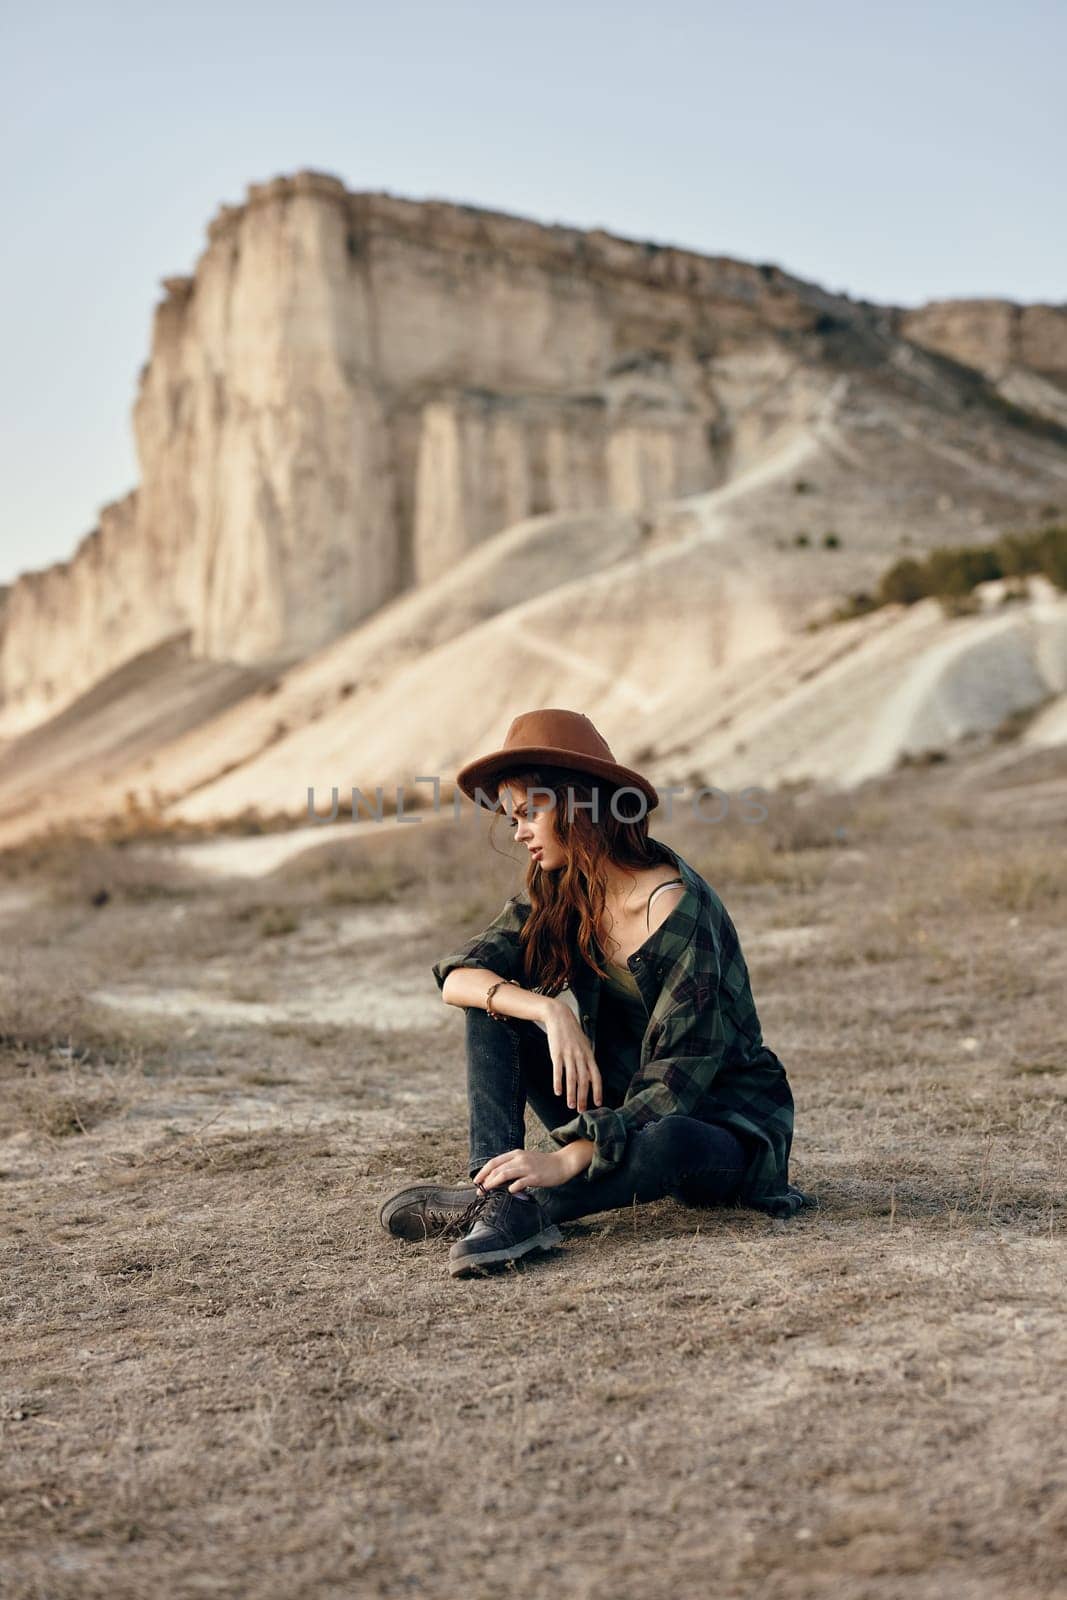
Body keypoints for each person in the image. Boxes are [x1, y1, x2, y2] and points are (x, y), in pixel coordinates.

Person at [379, 708, 815, 1278]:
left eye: (530, 811)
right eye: (513, 818)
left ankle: (523, 1208)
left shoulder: (677, 909)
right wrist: (547, 1012)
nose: (519, 832)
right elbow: (459, 977)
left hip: (716, 1125)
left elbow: (676, 1082)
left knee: (673, 1139)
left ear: (578, 803)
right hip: (613, 1109)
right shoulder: (566, 890)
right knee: (492, 1006)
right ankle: (495, 1189)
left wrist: (565, 1159)